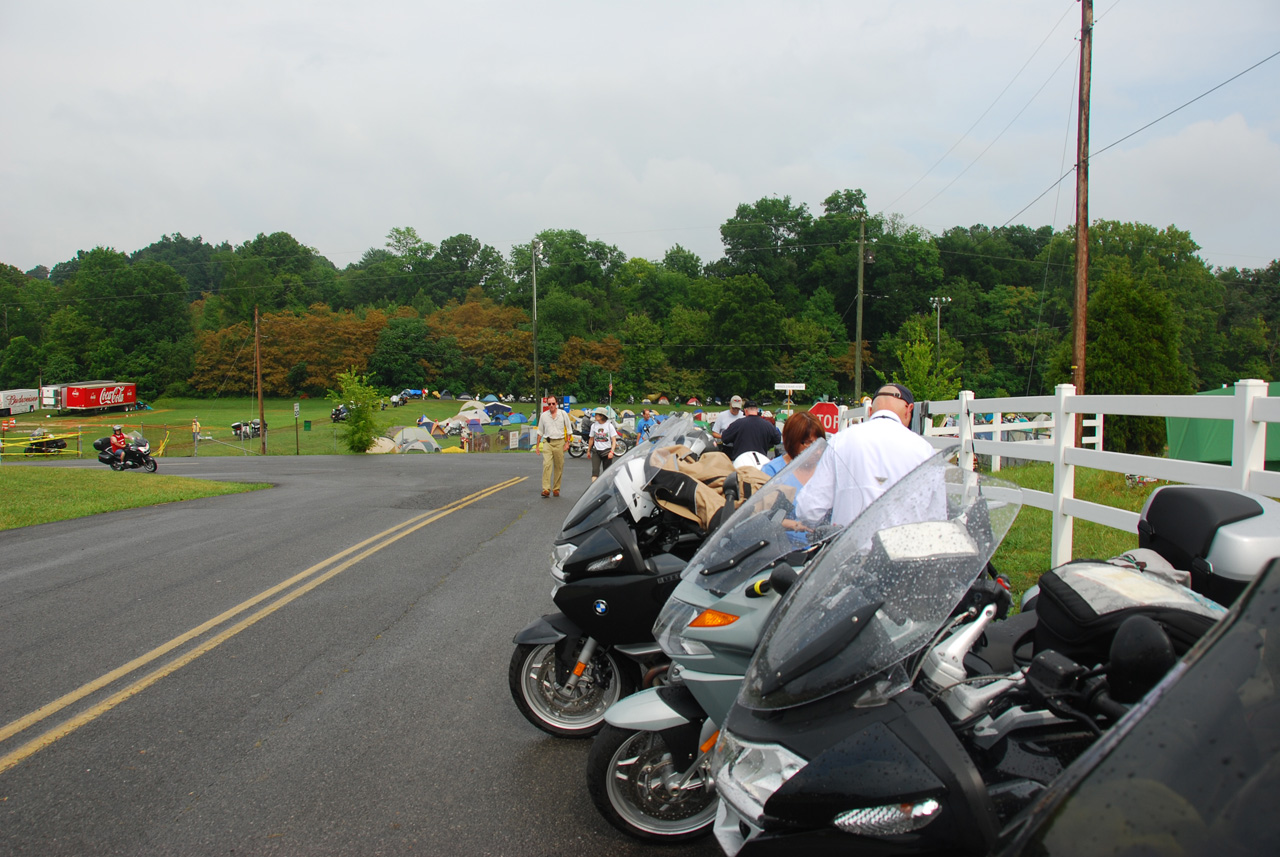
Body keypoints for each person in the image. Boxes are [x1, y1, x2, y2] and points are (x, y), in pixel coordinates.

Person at [794, 383, 937, 527]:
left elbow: (808, 510)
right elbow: (936, 516)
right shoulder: (925, 450)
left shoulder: (841, 441)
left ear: (869, 411)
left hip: (849, 546)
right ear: (909, 410)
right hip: (902, 545)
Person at [761, 411, 826, 478]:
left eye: (819, 443)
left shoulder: (825, 468)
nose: (818, 451)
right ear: (793, 441)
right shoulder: (772, 471)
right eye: (809, 443)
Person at [534, 397, 574, 497]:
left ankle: (556, 488)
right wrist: (537, 446)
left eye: (553, 403)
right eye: (549, 404)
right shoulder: (544, 416)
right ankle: (546, 489)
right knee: (547, 465)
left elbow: (569, 430)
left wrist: (567, 443)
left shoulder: (563, 414)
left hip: (559, 441)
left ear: (556, 403)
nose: (551, 406)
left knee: (559, 465)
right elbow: (540, 431)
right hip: (548, 442)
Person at [587, 407, 619, 481]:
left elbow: (614, 440)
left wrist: (612, 451)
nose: (594, 416)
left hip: (607, 452)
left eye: (596, 414)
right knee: (595, 471)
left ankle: (607, 489)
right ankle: (594, 491)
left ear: (601, 416)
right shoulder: (594, 425)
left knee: (607, 473)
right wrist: (588, 450)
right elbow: (591, 439)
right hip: (596, 451)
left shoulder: (609, 426)